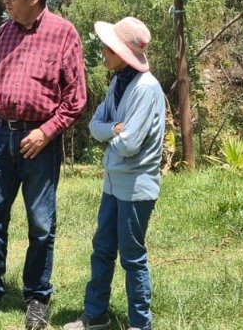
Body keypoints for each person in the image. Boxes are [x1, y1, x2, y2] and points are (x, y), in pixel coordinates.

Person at [0, 0, 88, 329]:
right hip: (1, 138)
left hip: (40, 144)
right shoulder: (4, 34)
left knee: (41, 225)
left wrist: (47, 132)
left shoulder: (64, 34)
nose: (6, 4)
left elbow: (76, 99)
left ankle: (36, 297)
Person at [63, 17, 166, 330]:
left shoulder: (146, 90)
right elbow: (95, 127)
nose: (103, 52)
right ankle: (96, 315)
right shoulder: (117, 83)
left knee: (132, 257)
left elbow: (130, 144)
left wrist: (112, 135)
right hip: (113, 183)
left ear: (123, 53)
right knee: (103, 249)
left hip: (136, 187)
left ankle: (140, 324)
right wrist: (112, 130)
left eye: (108, 47)